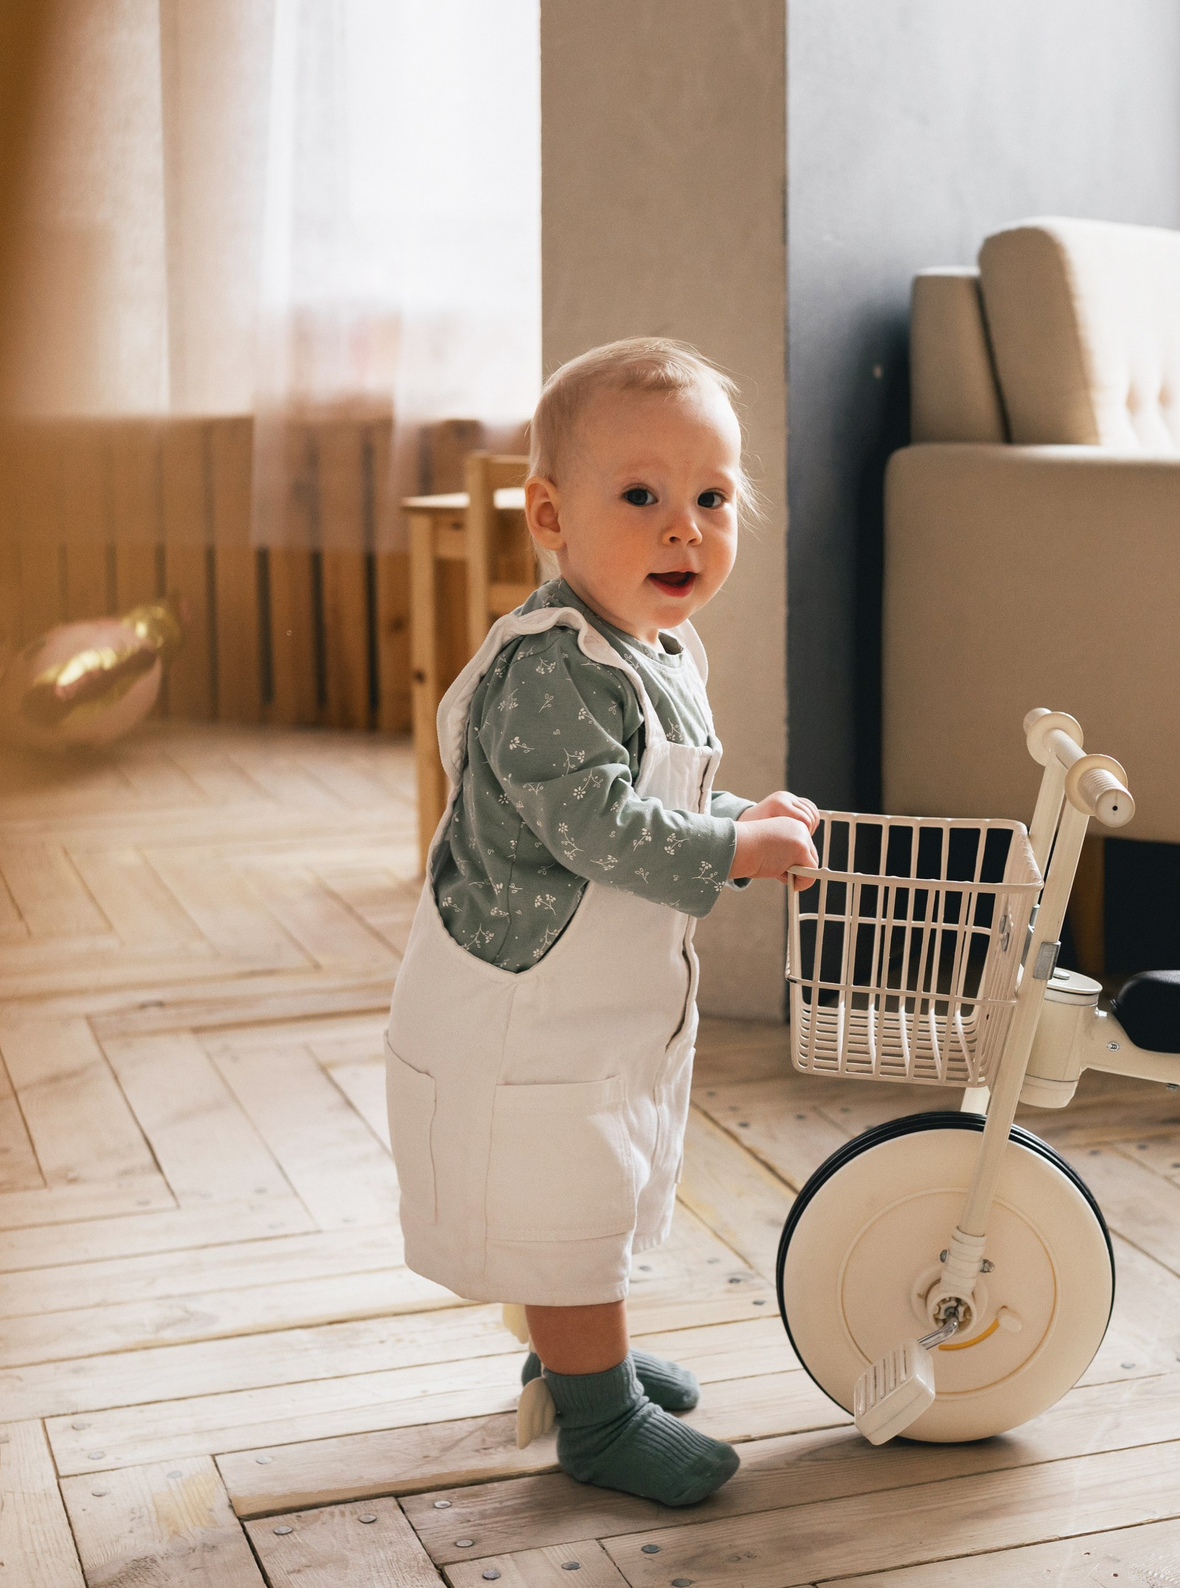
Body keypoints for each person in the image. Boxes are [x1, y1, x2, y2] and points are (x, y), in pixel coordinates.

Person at [383, 337, 818, 1507]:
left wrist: (739, 812)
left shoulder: (653, 649)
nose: (685, 528)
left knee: (590, 1184)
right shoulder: (552, 670)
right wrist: (734, 850)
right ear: (550, 515)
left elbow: (654, 791)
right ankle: (597, 1417)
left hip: (596, 1002)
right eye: (642, 497)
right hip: (522, 1011)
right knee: (568, 1192)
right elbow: (596, 826)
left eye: (712, 499)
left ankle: (578, 1356)